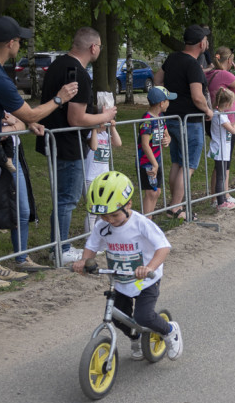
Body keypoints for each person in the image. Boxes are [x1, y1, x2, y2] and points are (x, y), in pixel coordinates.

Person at [0, 16, 78, 290]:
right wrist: (59, 99)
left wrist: (30, 122)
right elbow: (29, 112)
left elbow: (26, 117)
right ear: (11, 44)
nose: (20, 43)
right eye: (19, 40)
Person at [71, 171, 182, 362]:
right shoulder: (102, 226)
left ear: (128, 204)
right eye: (104, 216)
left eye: (114, 215)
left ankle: (170, 330)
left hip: (145, 281)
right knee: (117, 318)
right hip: (119, 280)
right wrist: (84, 261)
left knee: (144, 316)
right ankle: (136, 337)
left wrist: (149, 267)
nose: (109, 220)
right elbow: (91, 246)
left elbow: (163, 247)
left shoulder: (141, 224)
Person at [36, 27, 117, 265]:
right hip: (67, 145)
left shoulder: (57, 65)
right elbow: (76, 119)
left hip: (53, 140)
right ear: (93, 47)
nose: (100, 51)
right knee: (67, 199)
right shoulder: (79, 74)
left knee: (63, 198)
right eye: (100, 47)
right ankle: (60, 249)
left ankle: (57, 246)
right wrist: (105, 116)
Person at [153, 25, 214, 221]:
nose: (207, 43)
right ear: (201, 43)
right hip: (190, 121)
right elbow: (197, 97)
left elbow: (157, 79)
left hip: (171, 117)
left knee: (178, 162)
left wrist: (168, 99)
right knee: (188, 165)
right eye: (206, 39)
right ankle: (176, 207)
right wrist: (207, 110)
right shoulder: (193, 65)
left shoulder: (172, 58)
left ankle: (174, 204)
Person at [0, 111, 46, 272]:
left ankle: (22, 258)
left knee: (23, 210)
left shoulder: (7, 98)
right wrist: (13, 127)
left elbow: (22, 123)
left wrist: (13, 126)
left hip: (14, 154)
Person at [205, 47, 235, 205]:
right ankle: (222, 197)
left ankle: (217, 197)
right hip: (228, 122)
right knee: (224, 162)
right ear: (230, 61)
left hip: (215, 120)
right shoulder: (224, 74)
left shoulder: (210, 73)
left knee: (220, 163)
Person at [208, 87, 235, 210]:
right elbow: (233, 130)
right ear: (228, 104)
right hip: (220, 149)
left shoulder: (220, 115)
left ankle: (223, 200)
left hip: (223, 149)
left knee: (222, 175)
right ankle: (221, 202)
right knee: (221, 176)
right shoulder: (220, 116)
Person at [138, 86, 175, 214]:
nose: (169, 103)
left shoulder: (160, 117)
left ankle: (149, 221)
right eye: (168, 100)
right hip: (147, 162)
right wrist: (154, 163)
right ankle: (145, 222)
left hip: (156, 161)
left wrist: (168, 139)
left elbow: (167, 134)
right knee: (151, 193)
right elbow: (145, 144)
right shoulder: (147, 120)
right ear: (161, 103)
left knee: (157, 192)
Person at [83, 117, 122, 232]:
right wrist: (94, 128)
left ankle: (100, 238)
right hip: (91, 178)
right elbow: (94, 146)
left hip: (104, 179)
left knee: (102, 210)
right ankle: (89, 240)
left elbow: (118, 143)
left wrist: (113, 128)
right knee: (92, 211)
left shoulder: (105, 134)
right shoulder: (90, 134)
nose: (106, 123)